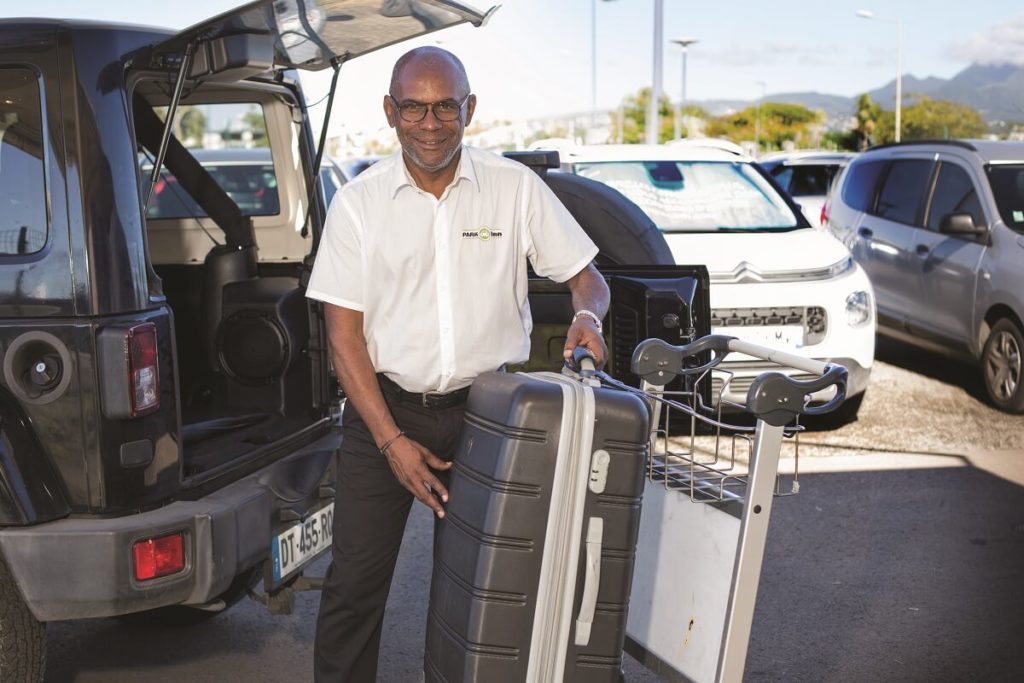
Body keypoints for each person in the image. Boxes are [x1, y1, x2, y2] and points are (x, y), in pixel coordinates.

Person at [305, 46, 609, 682]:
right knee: (353, 589)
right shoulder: (359, 204)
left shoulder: (514, 188)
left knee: (481, 590)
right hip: (382, 414)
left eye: (446, 106)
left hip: (490, 419)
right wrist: (392, 442)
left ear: (470, 109)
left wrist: (589, 317)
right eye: (414, 107)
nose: (431, 121)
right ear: (390, 112)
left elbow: (588, 277)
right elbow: (343, 338)